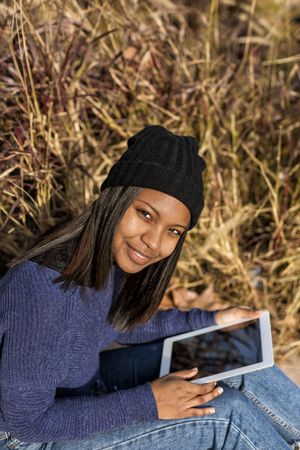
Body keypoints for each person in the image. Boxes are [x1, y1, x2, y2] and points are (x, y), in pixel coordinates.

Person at [0, 125, 299, 450]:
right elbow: (25, 423)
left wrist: (210, 322)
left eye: (173, 231)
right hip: (25, 439)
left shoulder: (98, 259)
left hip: (84, 393)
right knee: (226, 417)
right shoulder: (41, 291)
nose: (153, 242)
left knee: (237, 354)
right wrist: (150, 402)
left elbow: (116, 324)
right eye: (145, 214)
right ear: (115, 199)